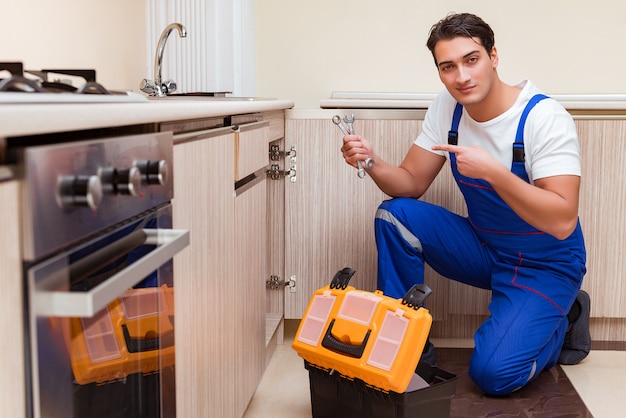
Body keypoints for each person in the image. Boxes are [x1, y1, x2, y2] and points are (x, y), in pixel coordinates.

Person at [340, 12, 590, 396]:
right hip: (487, 248)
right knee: (394, 215)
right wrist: (370, 161)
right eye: (448, 67)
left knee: (494, 376)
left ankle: (565, 317)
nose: (462, 76)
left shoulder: (542, 117)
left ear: (493, 56)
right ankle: (405, 349)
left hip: (546, 263)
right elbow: (411, 183)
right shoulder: (448, 107)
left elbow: (562, 220)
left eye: (471, 59)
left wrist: (495, 172)